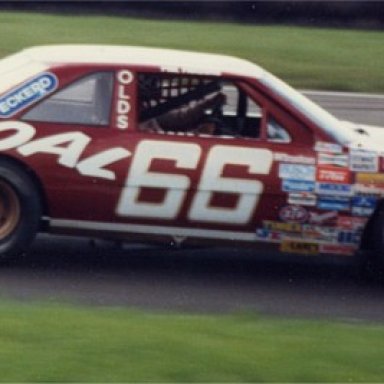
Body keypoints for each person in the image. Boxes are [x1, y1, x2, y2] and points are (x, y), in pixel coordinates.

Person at [139, 92, 226, 133]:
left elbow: (180, 117)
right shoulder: (136, 122)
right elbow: (164, 143)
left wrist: (208, 103)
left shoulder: (145, 114)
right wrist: (199, 133)